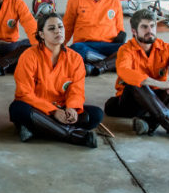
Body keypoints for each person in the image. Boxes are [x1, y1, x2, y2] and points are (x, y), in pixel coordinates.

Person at [103, 9, 169, 141]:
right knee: (134, 82)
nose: (150, 30)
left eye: (152, 26)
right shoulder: (125, 50)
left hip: (156, 99)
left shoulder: (164, 48)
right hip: (133, 101)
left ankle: (150, 122)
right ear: (134, 31)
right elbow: (124, 72)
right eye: (144, 27)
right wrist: (161, 84)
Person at [10, 11, 104, 148]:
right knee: (18, 109)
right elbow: (24, 93)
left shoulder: (75, 58)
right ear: (41, 34)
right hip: (37, 109)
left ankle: (42, 128)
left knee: (96, 115)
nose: (57, 31)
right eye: (51, 28)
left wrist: (72, 108)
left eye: (60, 27)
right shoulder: (29, 56)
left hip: (62, 108)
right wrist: (53, 111)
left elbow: (76, 89)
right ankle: (72, 134)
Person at [63, 0, 126, 76]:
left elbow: (119, 27)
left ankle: (96, 65)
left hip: (109, 45)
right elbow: (67, 27)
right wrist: (59, 46)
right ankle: (110, 62)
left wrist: (121, 38)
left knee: (130, 49)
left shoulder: (114, 0)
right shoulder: (75, 0)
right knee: (75, 49)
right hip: (85, 45)